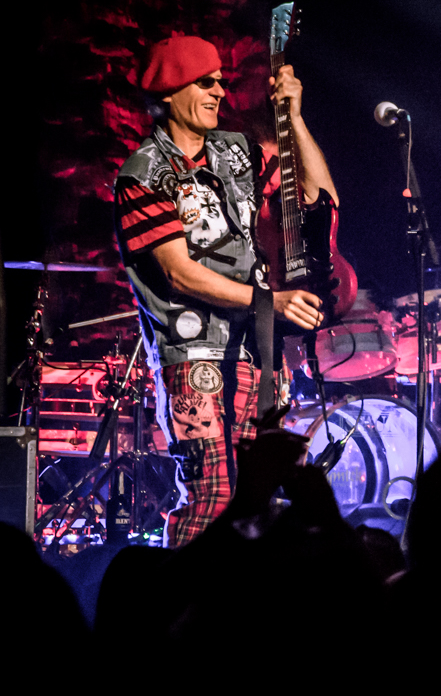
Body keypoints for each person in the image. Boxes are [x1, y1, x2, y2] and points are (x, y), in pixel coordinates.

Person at [114, 35, 336, 546]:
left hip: (257, 351)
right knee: (211, 498)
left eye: (220, 81)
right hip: (195, 356)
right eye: (205, 82)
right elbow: (179, 274)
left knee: (265, 496)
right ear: (169, 92)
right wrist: (271, 301)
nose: (219, 91)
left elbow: (318, 197)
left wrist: (295, 119)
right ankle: (180, 594)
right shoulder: (143, 174)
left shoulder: (235, 152)